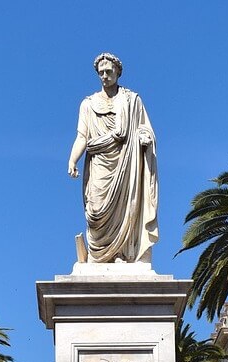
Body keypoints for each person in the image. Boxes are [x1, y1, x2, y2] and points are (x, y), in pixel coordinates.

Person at [67, 52, 158, 265]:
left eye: (109, 71)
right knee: (95, 211)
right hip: (99, 162)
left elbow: (145, 128)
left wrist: (144, 136)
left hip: (127, 163)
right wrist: (72, 160)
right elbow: (82, 136)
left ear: (118, 72)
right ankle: (99, 256)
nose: (105, 76)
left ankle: (122, 254)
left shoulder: (132, 100)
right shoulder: (88, 104)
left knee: (127, 207)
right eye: (101, 73)